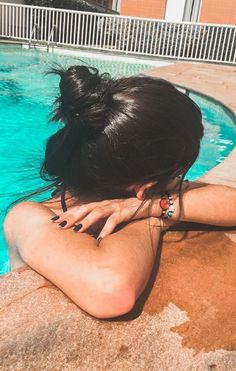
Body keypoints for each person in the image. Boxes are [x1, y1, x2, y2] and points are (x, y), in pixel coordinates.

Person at [3, 65, 236, 319]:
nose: (180, 180)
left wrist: (153, 206)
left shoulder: (144, 192)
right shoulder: (28, 218)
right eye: (177, 173)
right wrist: (152, 217)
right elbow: (112, 291)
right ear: (145, 186)